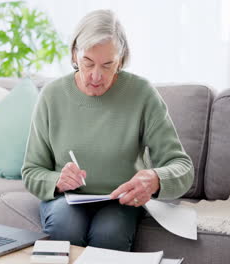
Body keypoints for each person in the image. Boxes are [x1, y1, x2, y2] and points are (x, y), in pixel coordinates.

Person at [21, 9, 194, 251]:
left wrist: (155, 179)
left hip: (119, 201)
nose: (95, 76)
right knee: (64, 227)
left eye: (107, 65)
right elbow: (31, 171)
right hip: (65, 200)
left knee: (110, 234)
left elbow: (182, 167)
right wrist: (56, 180)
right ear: (74, 54)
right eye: (87, 62)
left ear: (121, 60)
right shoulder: (52, 96)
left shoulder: (142, 94)